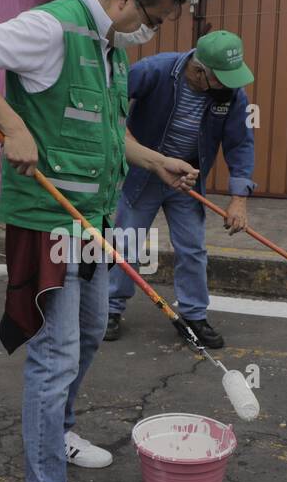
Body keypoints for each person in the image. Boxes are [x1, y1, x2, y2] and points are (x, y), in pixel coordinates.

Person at [0, 0, 197, 482]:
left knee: (84, 336)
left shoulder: (107, 49)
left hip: (91, 224)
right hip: (47, 223)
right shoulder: (53, 27)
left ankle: (61, 431)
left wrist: (152, 159)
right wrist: (12, 126)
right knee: (52, 360)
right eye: (153, 20)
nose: (150, 34)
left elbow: (107, 132)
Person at [105, 29, 256, 348]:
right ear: (200, 72)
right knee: (126, 243)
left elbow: (240, 144)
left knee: (192, 248)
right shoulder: (155, 70)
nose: (232, 85)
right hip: (144, 174)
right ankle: (109, 309)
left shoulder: (231, 94)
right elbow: (109, 101)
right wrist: (125, 140)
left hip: (187, 181)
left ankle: (193, 316)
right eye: (223, 79)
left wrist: (239, 199)